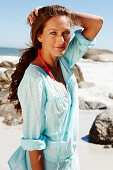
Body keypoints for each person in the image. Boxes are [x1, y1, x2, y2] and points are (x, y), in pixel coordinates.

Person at [8, 5, 103, 170]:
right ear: (39, 36)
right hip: (48, 165)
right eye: (53, 33)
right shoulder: (35, 78)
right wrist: (49, 17)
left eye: (66, 32)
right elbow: (33, 141)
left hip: (71, 161)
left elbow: (97, 23)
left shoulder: (64, 61)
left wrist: (62, 15)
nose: (61, 41)